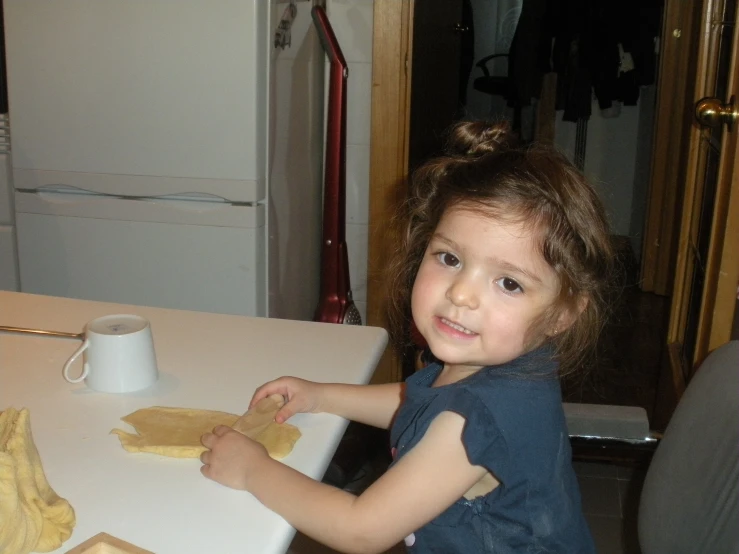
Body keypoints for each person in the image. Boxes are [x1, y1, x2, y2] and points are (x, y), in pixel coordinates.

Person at [200, 120, 614, 553]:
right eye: (450, 258)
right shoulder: (496, 363)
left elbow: (361, 529)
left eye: (508, 283)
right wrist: (322, 396)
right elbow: (420, 402)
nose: (461, 294)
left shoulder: (479, 419)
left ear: (562, 315)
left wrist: (253, 470)